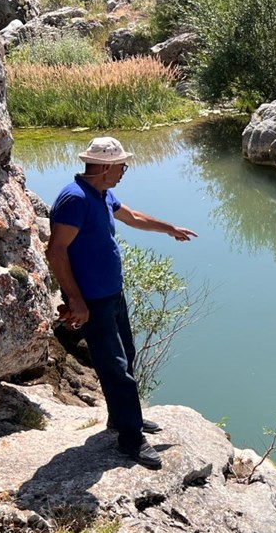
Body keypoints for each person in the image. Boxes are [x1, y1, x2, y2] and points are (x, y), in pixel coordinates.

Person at [45, 136, 197, 470]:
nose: (124, 171)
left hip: (112, 293)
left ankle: (123, 418)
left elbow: (133, 217)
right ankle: (131, 439)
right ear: (103, 166)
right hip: (92, 301)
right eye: (121, 166)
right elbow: (55, 251)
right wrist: (75, 300)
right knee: (114, 366)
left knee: (126, 357)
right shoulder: (74, 199)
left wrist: (169, 228)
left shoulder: (101, 193)